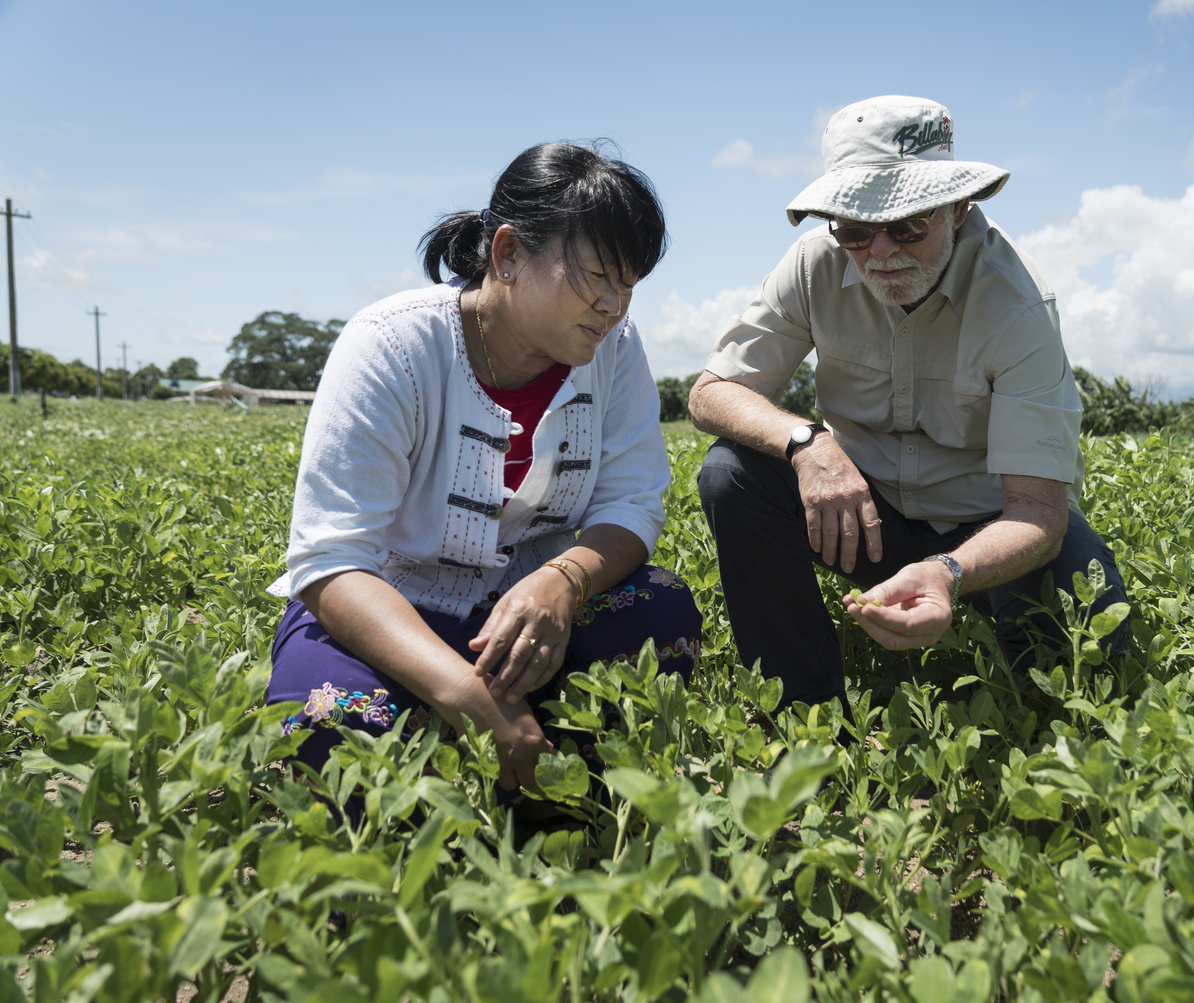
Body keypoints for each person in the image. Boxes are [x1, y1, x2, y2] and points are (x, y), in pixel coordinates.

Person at [266, 142, 701, 793]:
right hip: (391, 614)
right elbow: (331, 560)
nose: (614, 305)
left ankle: (561, 796)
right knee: (331, 719)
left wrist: (562, 581)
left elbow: (631, 503)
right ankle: (463, 768)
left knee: (661, 614)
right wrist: (466, 693)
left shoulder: (616, 349)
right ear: (507, 254)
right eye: (594, 275)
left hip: (536, 619)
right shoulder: (392, 345)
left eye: (629, 283)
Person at [690, 96, 1127, 710]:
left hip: (989, 534)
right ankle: (805, 714)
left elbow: (1037, 512)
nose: (882, 253)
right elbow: (714, 393)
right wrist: (808, 445)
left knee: (1089, 656)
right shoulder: (815, 264)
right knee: (730, 474)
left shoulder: (1017, 304)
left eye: (909, 227)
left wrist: (948, 571)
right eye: (857, 231)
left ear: (958, 207)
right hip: (861, 519)